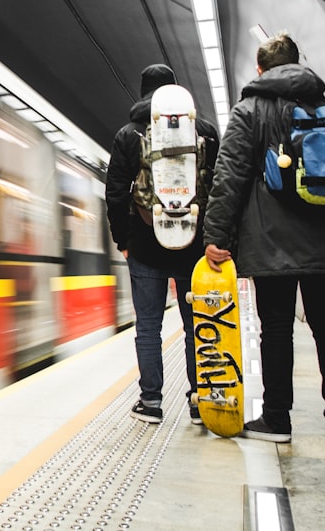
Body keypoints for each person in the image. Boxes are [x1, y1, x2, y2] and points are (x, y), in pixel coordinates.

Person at [203, 32, 325, 443]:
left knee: (276, 327)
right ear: (299, 62)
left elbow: (230, 178)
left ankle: (277, 418)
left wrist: (216, 234)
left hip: (270, 240)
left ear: (259, 69)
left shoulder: (250, 110)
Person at [106, 64, 219, 425]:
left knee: (149, 326)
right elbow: (218, 190)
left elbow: (114, 194)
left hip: (144, 244)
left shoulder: (128, 134)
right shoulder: (204, 132)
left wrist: (123, 240)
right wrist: (213, 238)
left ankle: (151, 402)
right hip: (194, 245)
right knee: (194, 325)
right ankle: (200, 399)